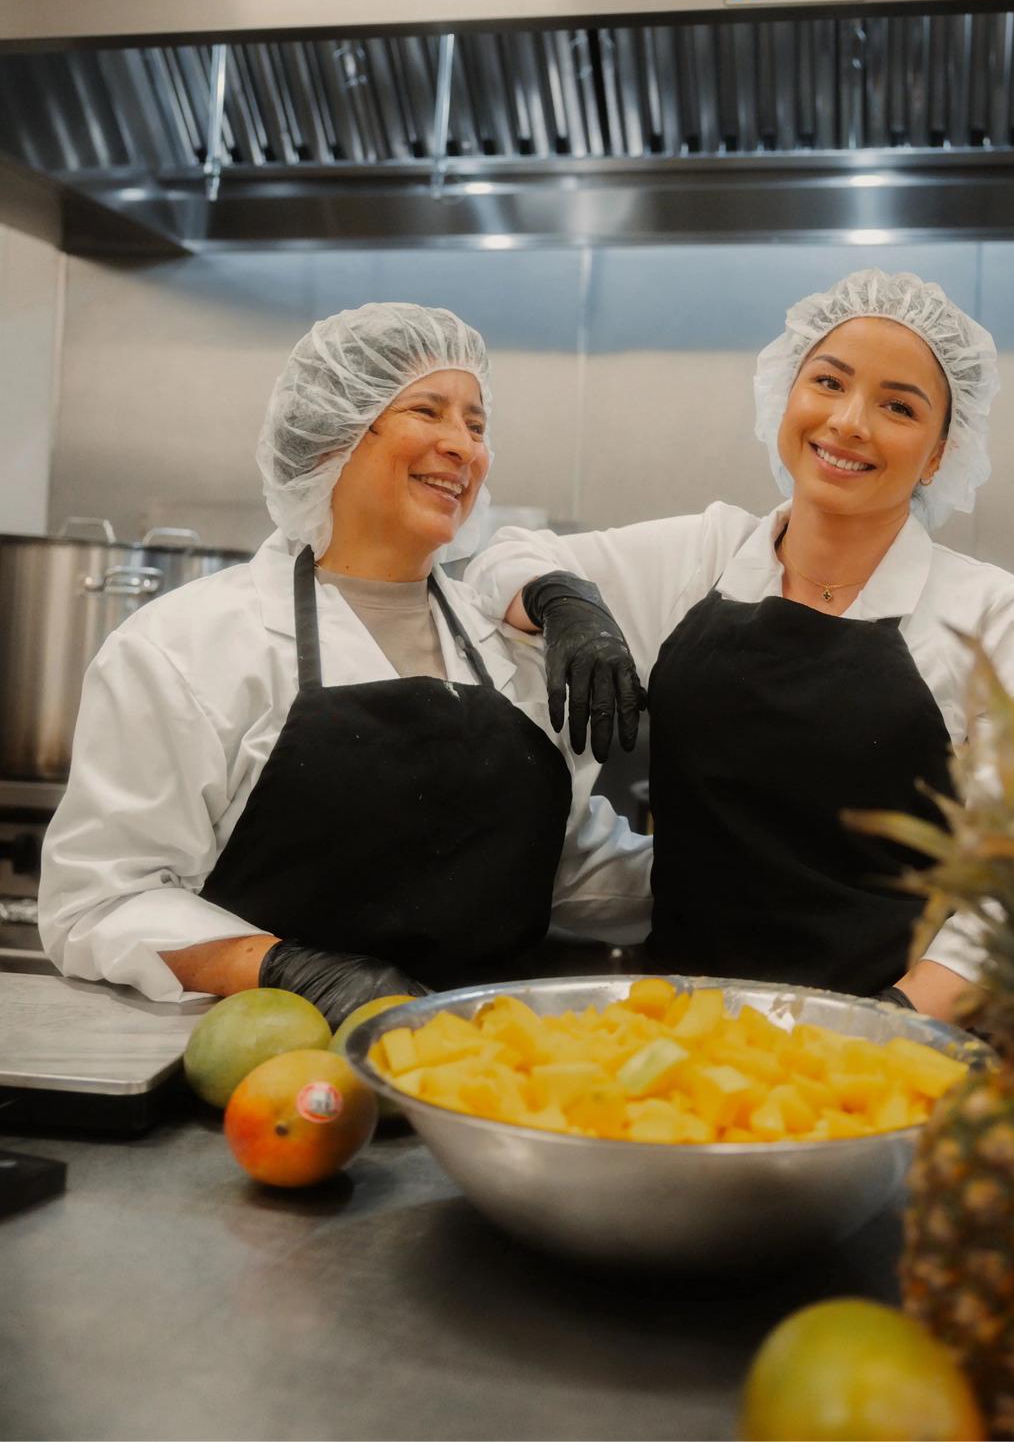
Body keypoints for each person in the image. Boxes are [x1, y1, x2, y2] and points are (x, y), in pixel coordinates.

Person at [466, 270, 1014, 1022]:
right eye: (828, 381)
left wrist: (892, 1024)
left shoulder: (993, 625)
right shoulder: (707, 556)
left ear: (939, 455)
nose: (850, 422)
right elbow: (501, 560)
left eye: (898, 406)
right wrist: (565, 601)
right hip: (685, 1039)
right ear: (787, 396)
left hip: (896, 1052)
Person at [40, 304, 650, 1026]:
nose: (462, 446)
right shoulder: (186, 646)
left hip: (477, 1074)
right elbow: (101, 901)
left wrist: (758, 868)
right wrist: (281, 968)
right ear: (330, 432)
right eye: (428, 410)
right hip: (264, 1075)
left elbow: (576, 871)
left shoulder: (512, 656)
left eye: (478, 425)